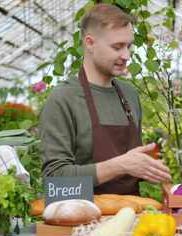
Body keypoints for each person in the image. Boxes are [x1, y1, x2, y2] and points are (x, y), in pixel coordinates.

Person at [40, 4, 171, 195]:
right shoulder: (63, 99)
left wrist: (147, 166)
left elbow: (128, 163)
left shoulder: (129, 95)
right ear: (90, 43)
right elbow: (54, 180)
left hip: (130, 215)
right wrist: (121, 165)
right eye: (117, 47)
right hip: (80, 219)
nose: (126, 56)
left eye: (129, 46)